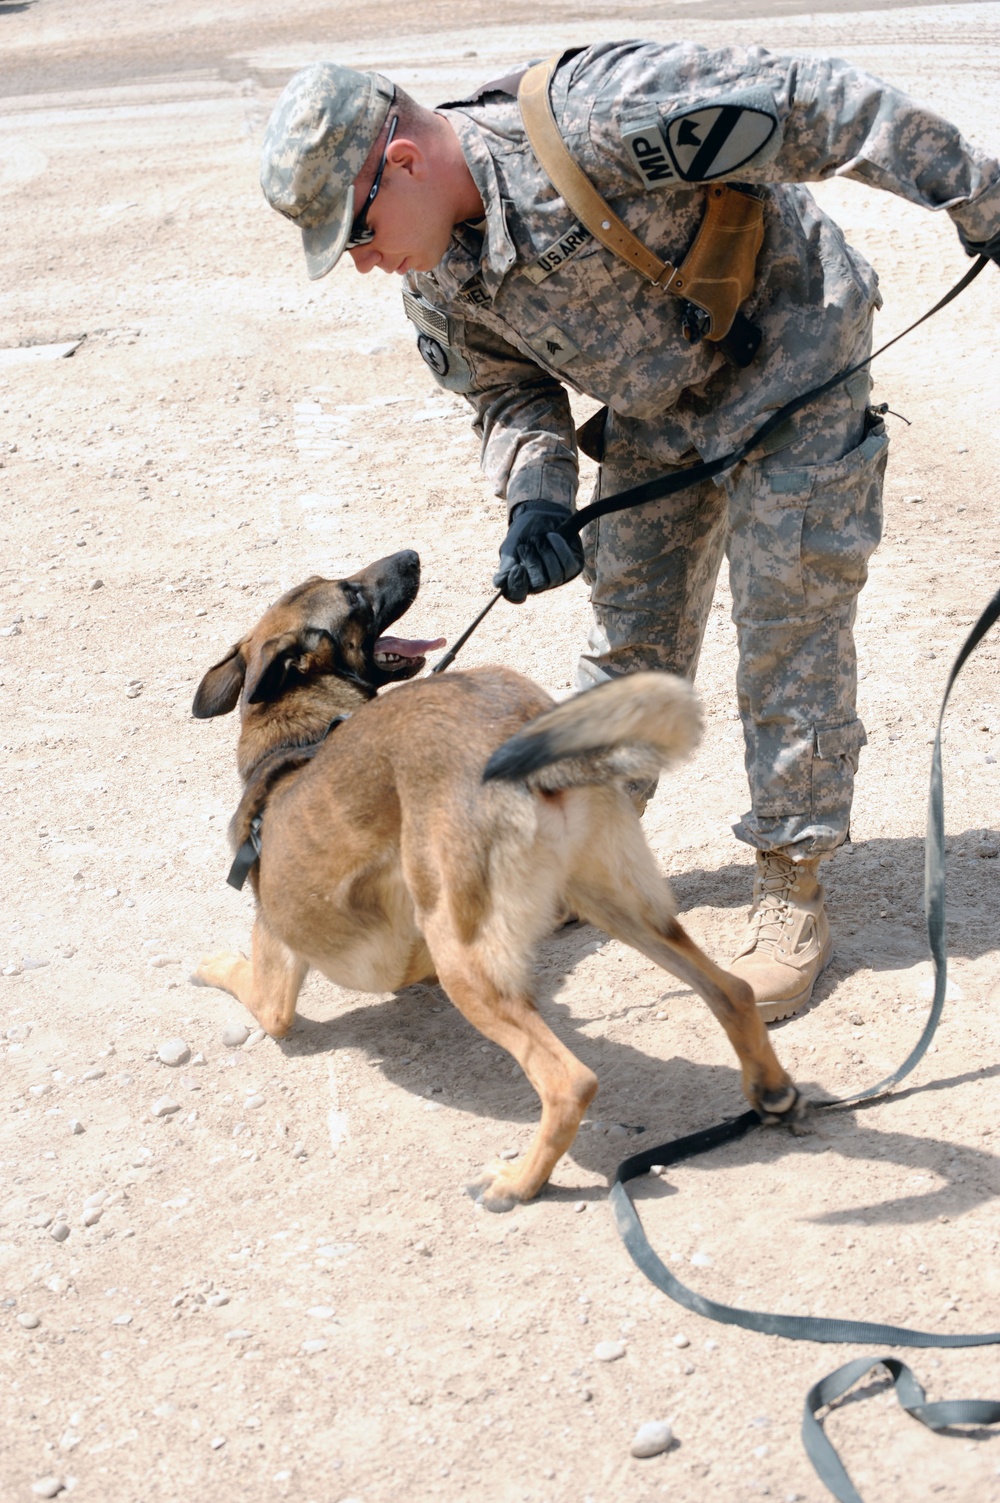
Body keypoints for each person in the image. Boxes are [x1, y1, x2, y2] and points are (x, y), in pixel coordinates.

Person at [258, 44, 1000, 1021]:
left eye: (355, 230)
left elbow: (816, 104)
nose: (360, 259)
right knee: (628, 641)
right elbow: (505, 393)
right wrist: (536, 501)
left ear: (401, 163)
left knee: (788, 619)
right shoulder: (434, 277)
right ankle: (578, 859)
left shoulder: (600, 116)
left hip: (793, 352)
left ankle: (790, 881)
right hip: (659, 404)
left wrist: (975, 196)